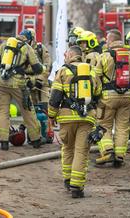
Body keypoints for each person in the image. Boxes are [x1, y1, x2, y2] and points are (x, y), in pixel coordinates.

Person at [48, 45, 102, 198]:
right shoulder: (92, 71)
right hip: (87, 118)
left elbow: (55, 97)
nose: (65, 57)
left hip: (66, 118)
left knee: (67, 149)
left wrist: (51, 116)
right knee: (81, 152)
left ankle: (67, 180)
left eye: (66, 54)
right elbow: (98, 94)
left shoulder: (63, 71)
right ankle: (77, 187)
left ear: (71, 54)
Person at [95, 29, 130, 166]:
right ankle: (120, 156)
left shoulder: (103, 56)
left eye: (106, 39)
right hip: (128, 96)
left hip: (107, 98)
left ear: (111, 40)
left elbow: (95, 78)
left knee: (104, 126)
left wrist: (96, 97)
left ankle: (108, 151)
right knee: (123, 128)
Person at [0, 35, 44, 150]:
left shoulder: (5, 45)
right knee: (28, 110)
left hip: (2, 83)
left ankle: (4, 142)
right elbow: (38, 69)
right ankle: (36, 140)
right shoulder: (27, 48)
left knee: (3, 112)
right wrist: (27, 71)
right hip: (18, 84)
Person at [26, 28, 52, 105]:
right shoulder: (22, 50)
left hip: (42, 84)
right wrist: (27, 81)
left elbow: (48, 65)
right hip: (28, 84)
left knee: (45, 107)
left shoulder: (41, 48)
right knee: (30, 109)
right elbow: (18, 68)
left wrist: (40, 80)